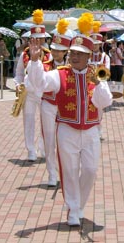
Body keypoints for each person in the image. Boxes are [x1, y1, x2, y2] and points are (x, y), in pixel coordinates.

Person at [27, 13, 113, 226]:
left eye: (80, 54)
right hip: (67, 130)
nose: (74, 57)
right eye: (72, 53)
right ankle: (74, 209)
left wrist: (99, 83)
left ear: (88, 56)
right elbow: (39, 84)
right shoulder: (60, 74)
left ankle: (79, 204)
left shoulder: (97, 74)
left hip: (91, 130)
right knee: (70, 171)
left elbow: (105, 102)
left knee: (91, 170)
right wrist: (36, 61)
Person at [14, 9, 51, 161]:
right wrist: (18, 84)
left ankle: (43, 148)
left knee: (45, 121)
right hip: (29, 92)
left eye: (40, 39)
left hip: (44, 93)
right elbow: (19, 73)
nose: (37, 41)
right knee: (28, 121)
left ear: (43, 40)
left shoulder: (49, 54)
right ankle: (30, 150)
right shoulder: (24, 54)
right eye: (34, 38)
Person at [41, 18, 72, 187]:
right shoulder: (45, 65)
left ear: (65, 51)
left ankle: (65, 172)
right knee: (49, 140)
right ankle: (52, 173)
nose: (55, 53)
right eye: (54, 50)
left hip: (64, 106)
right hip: (48, 104)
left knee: (65, 140)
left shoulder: (70, 67)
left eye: (59, 51)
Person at [90, 27, 111, 141]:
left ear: (100, 45)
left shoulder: (105, 57)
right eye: (93, 44)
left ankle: (98, 129)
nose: (94, 46)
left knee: (99, 108)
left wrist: (97, 79)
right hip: (88, 85)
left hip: (100, 84)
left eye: (96, 44)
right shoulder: (87, 56)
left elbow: (106, 71)